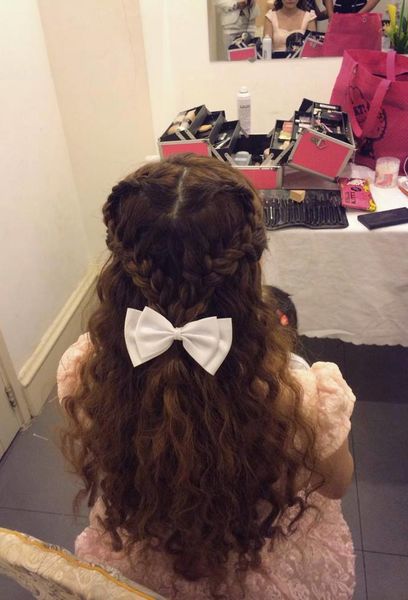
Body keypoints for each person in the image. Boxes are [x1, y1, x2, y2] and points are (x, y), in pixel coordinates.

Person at [58, 154, 356, 599]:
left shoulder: (87, 369)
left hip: (138, 560)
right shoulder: (304, 398)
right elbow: (335, 484)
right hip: (255, 567)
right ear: (250, 270)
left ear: (119, 271)